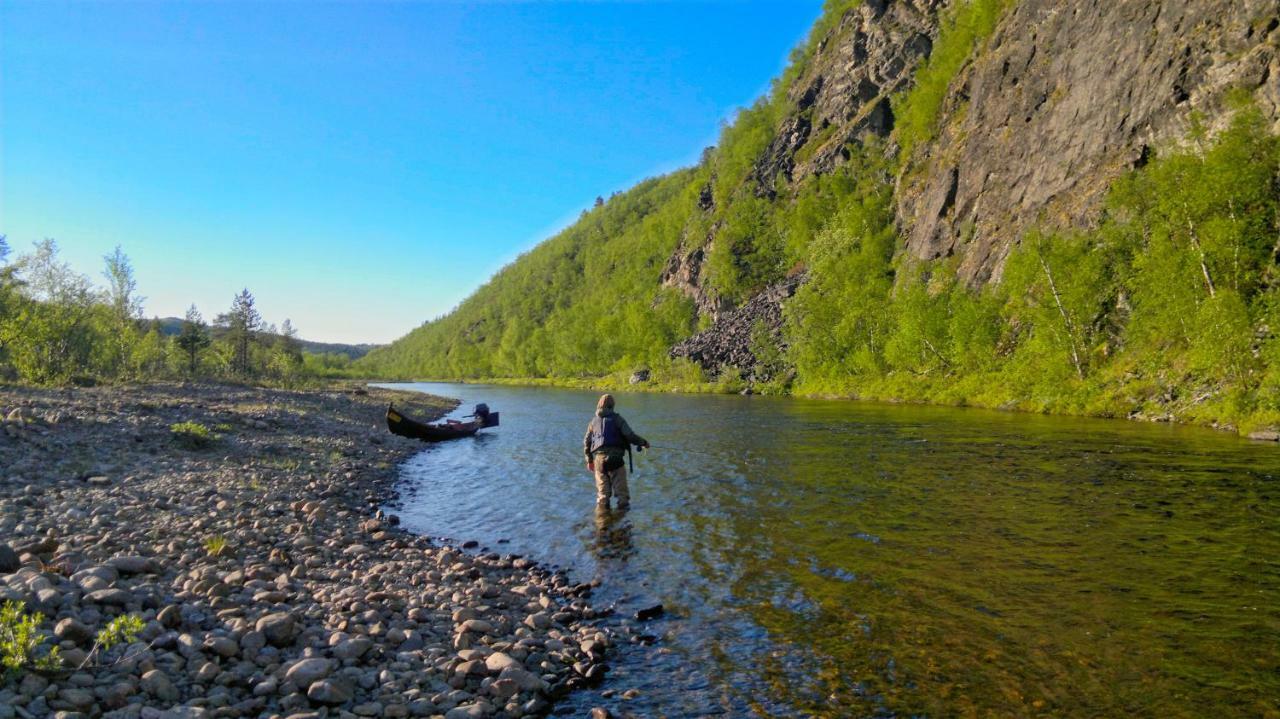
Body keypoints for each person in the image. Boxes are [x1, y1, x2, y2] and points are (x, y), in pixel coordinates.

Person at [583, 393, 648, 509]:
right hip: (616, 461)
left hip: (599, 462)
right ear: (612, 405)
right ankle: (623, 522)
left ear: (599, 405)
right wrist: (643, 442)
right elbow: (630, 436)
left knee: (603, 497)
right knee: (623, 498)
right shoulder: (618, 419)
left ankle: (602, 523)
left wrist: (589, 461)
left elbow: (586, 442)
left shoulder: (593, 422)